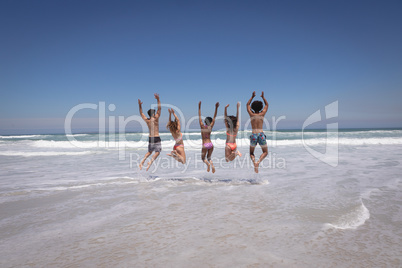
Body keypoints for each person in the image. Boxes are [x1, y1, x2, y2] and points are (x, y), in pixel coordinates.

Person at [138, 93, 162, 171]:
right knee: (157, 152)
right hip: (157, 137)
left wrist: (140, 105)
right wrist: (158, 99)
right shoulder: (156, 119)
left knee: (149, 152)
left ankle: (143, 161)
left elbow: (141, 113)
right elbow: (159, 109)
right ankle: (150, 162)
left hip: (150, 138)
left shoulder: (147, 120)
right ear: (153, 113)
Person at [247, 91, 269, 173]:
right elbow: (267, 105)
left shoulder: (251, 114)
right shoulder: (262, 114)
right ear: (261, 108)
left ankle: (254, 163)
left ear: (252, 107)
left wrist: (252, 97)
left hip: (253, 135)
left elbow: (247, 105)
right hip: (261, 134)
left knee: (251, 153)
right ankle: (258, 162)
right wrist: (263, 97)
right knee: (265, 152)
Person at [198, 101, 219, 172]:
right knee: (209, 157)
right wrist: (216, 108)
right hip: (210, 144)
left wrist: (199, 107)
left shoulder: (202, 126)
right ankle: (212, 164)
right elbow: (214, 117)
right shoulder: (211, 126)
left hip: (205, 144)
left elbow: (199, 116)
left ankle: (208, 164)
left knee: (203, 158)